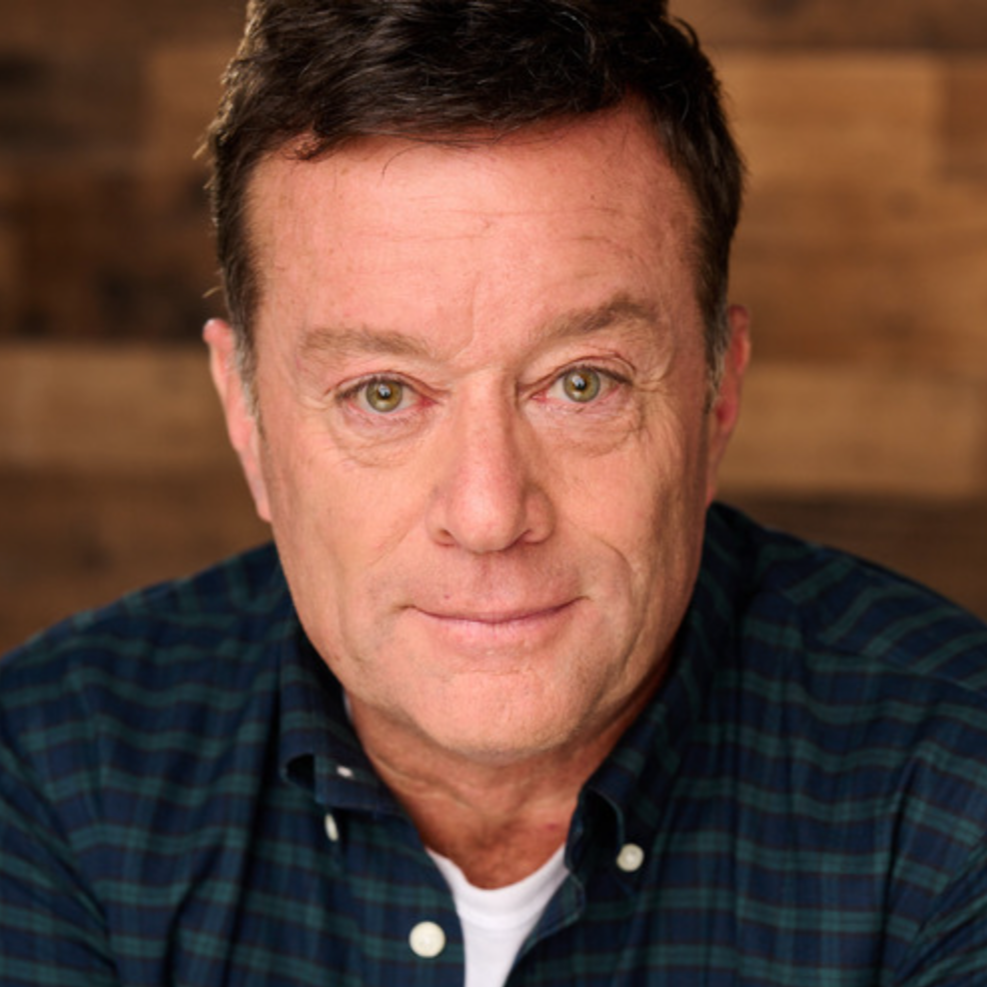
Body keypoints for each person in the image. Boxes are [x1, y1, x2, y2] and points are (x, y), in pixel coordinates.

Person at [2, 0, 987, 984]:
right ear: (247, 417)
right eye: (381, 393)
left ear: (716, 395)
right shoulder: (48, 777)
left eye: (581, 383)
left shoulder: (958, 789)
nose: (488, 514)